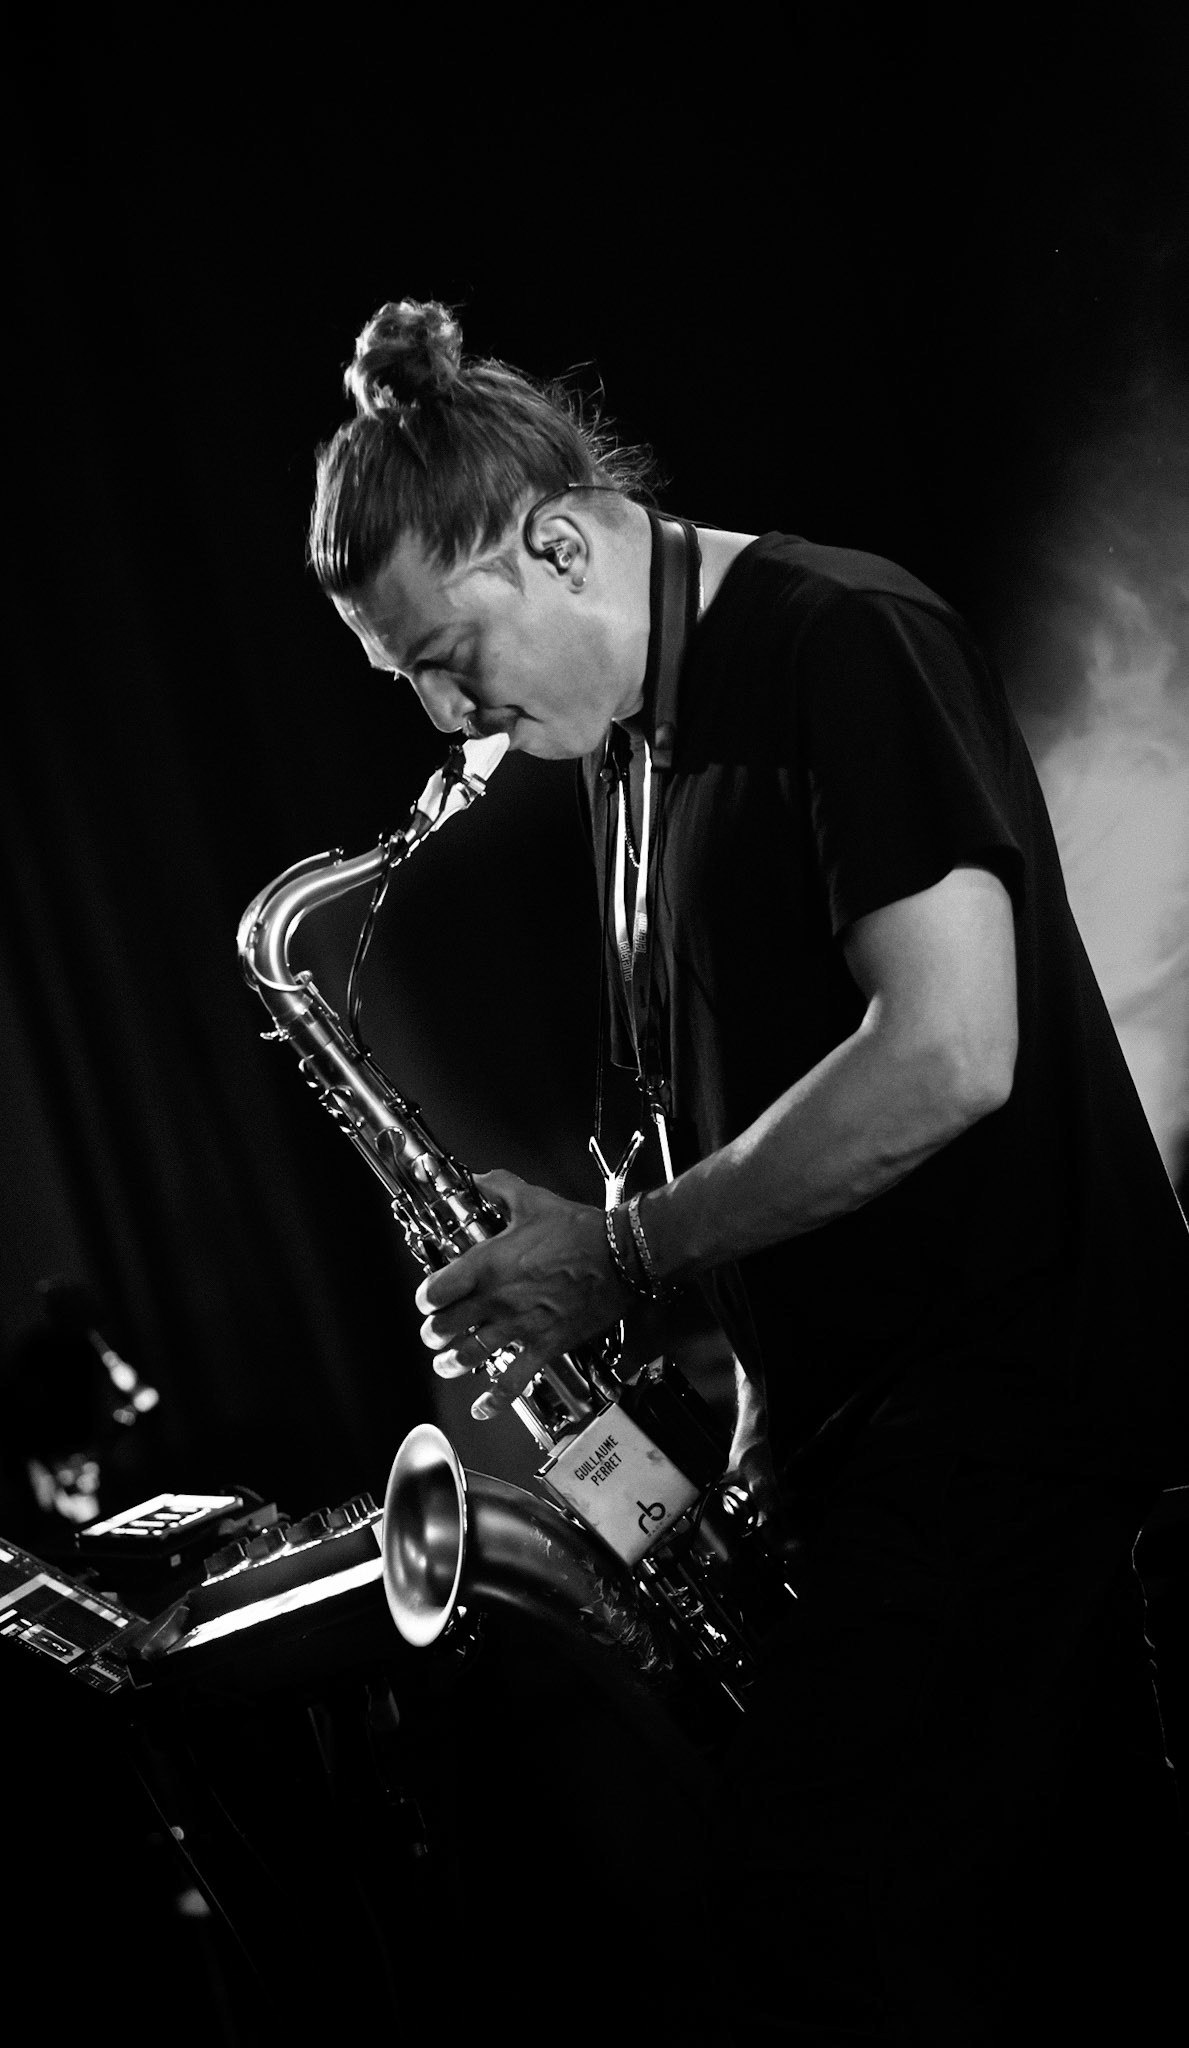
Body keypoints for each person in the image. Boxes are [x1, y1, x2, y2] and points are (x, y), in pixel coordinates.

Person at [308, 299, 1189, 2042]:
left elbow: (948, 1052)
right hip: (884, 1445)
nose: (442, 713)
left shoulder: (836, 638)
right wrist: (711, 1398)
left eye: (444, 654)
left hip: (1017, 1421)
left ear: (560, 545)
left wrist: (621, 1249)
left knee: (808, 1919)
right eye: (407, 679)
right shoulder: (633, 741)